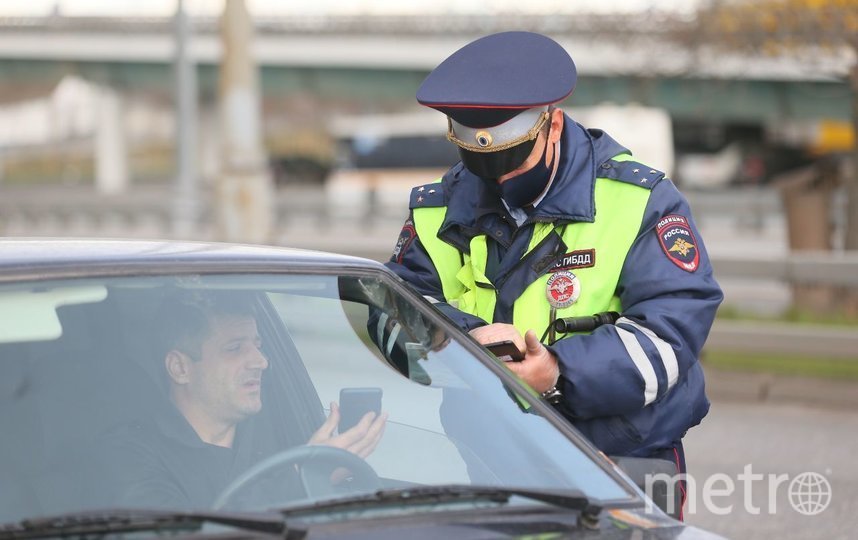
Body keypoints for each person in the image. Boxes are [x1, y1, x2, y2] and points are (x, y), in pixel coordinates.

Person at [386, 31, 723, 503]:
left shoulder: (641, 201)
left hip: (620, 454)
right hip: (493, 455)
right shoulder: (437, 210)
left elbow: (672, 334)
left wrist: (558, 372)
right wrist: (462, 341)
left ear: (554, 124)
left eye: (513, 160)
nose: (500, 180)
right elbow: (392, 311)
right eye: (483, 165)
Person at [107, 291, 387, 508]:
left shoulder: (277, 431)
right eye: (234, 348)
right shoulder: (130, 454)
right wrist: (305, 474)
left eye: (258, 345)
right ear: (180, 368)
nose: (261, 361)